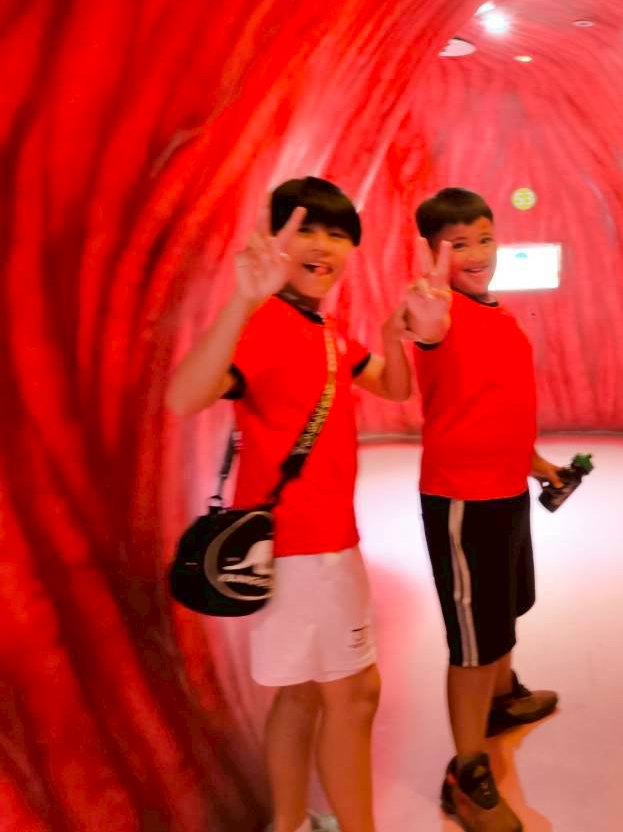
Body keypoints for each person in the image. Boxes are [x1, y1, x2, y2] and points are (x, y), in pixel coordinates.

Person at [167, 177, 419, 832]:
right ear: (275, 240)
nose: (323, 246)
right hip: (313, 550)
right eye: (306, 229)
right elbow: (185, 396)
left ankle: (288, 822)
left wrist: (392, 334)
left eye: (337, 233)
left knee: (301, 694)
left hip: (301, 547)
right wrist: (242, 300)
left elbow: (394, 386)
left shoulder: (324, 331)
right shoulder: (268, 324)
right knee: (354, 696)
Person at [407, 187, 562, 832]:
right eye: (458, 244)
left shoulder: (498, 317)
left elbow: (500, 410)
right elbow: (426, 329)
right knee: (472, 641)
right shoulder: (439, 312)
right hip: (462, 501)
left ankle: (501, 699)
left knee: (505, 607)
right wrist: (425, 309)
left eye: (484, 239)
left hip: (507, 491)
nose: (476, 254)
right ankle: (466, 772)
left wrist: (539, 465)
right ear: (433, 251)